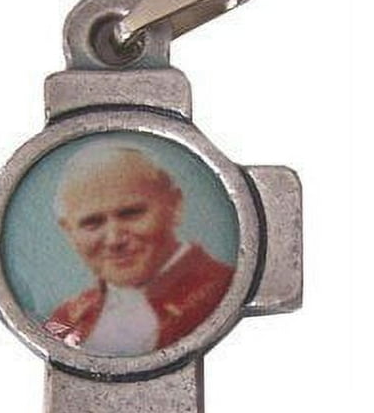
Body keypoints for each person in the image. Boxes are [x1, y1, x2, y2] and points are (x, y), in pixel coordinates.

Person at [44, 140, 234, 355]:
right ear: (69, 231)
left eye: (131, 213)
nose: (114, 240)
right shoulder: (63, 322)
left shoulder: (225, 293)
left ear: (175, 205)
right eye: (92, 223)